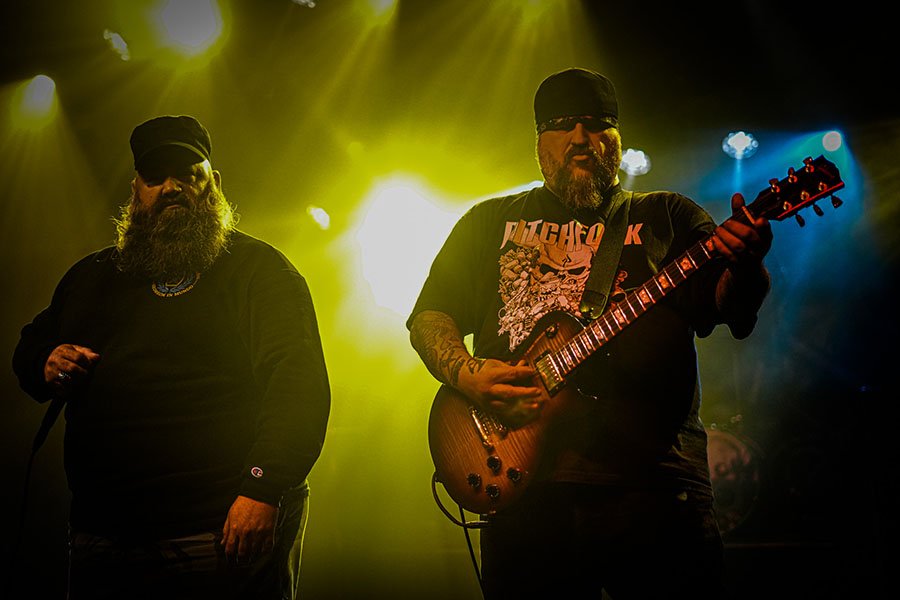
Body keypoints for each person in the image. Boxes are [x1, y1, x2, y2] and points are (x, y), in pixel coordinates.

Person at [407, 68, 772, 599]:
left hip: (654, 488)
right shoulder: (488, 221)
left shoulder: (666, 215)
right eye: (562, 124)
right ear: (539, 144)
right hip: (524, 490)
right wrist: (467, 374)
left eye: (596, 123)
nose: (580, 137)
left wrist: (747, 264)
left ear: (617, 139)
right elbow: (429, 315)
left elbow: (728, 307)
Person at [12, 115, 331, 599]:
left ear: (213, 183)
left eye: (187, 173)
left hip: (220, 529)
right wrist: (47, 360)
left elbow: (298, 384)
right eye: (155, 176)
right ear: (135, 190)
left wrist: (262, 488)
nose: (171, 187)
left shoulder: (259, 271)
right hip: (103, 535)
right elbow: (29, 348)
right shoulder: (93, 277)